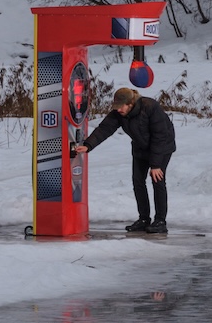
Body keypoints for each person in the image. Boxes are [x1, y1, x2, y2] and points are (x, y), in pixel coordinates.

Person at [71, 85, 176, 236]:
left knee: (157, 180)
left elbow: (160, 136)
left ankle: (160, 221)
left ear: (131, 104)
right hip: (140, 148)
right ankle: (144, 219)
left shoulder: (150, 107)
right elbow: (104, 129)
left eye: (121, 107)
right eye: (116, 107)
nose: (118, 110)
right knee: (138, 181)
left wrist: (155, 165)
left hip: (162, 147)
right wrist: (88, 145)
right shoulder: (119, 114)